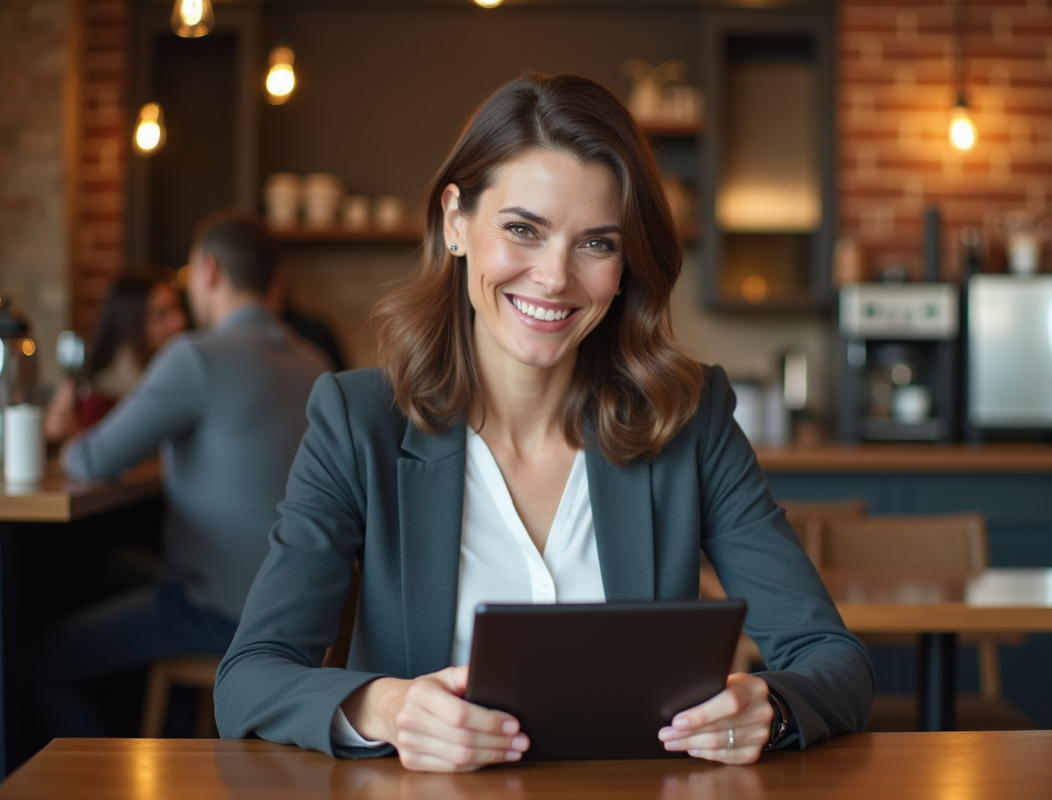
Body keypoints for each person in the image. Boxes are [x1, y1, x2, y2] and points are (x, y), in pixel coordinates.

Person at [215, 74, 873, 771]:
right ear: (456, 222)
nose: (555, 277)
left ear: (625, 266)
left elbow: (835, 661)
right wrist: (385, 707)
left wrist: (765, 709)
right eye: (523, 229)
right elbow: (250, 677)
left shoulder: (689, 420)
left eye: (596, 244)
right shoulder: (359, 423)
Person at [34, 212, 329, 737]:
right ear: (274, 281)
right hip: (304, 613)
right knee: (104, 568)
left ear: (208, 271)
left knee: (40, 659)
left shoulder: (195, 356)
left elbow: (92, 460)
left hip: (220, 612)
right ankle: (166, 738)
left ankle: (89, 784)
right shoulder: (316, 363)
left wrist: (62, 434)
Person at [43, 270, 188, 444]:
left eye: (177, 307)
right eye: (161, 314)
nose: (179, 320)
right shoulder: (100, 392)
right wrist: (52, 434)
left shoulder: (182, 374)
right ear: (129, 322)